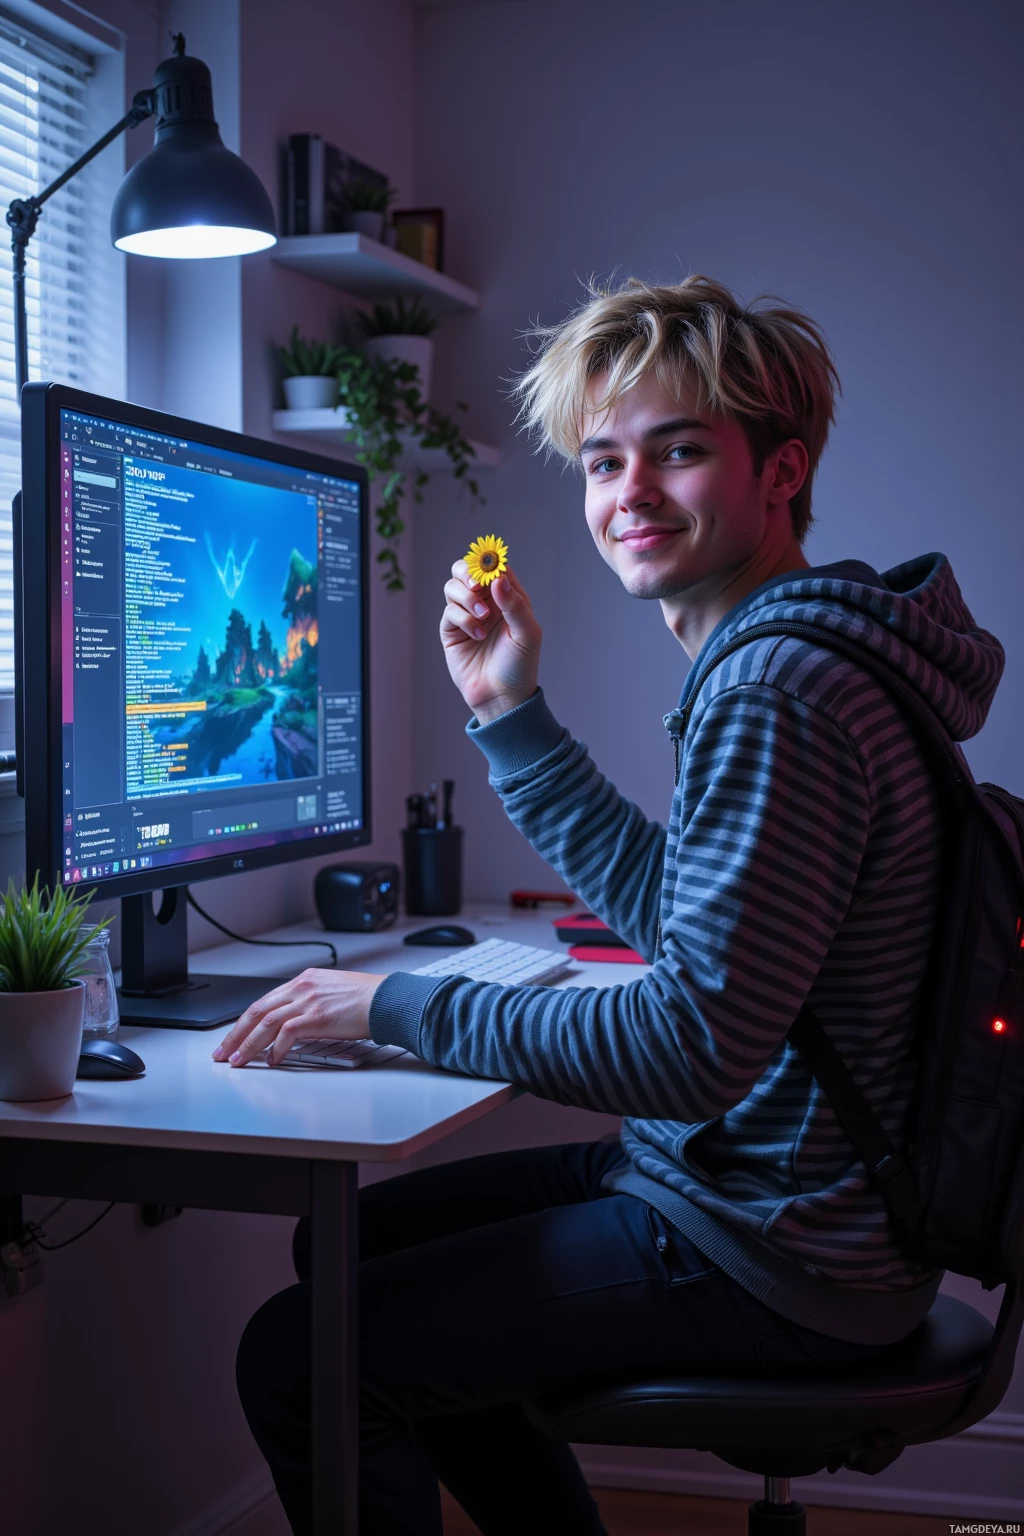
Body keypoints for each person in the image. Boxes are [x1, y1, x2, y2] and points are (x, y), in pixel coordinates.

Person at [220, 275, 1005, 1536]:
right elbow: (691, 933)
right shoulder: (812, 649)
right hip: (772, 1188)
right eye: (600, 461)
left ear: (779, 471)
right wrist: (507, 714)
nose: (627, 493)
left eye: (678, 451)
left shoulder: (779, 686)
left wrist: (397, 1000)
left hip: (783, 1241)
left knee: (302, 1353)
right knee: (345, 1254)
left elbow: (691, 1048)